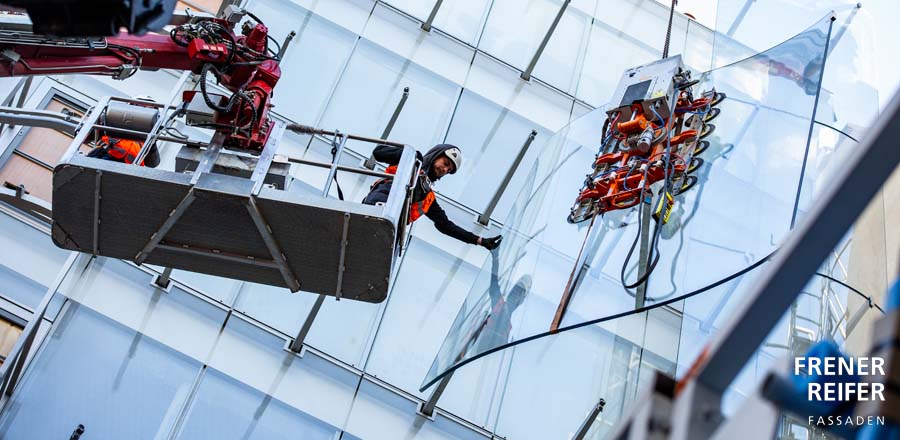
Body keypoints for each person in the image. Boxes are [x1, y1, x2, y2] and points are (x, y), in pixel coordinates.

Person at [363, 143, 501, 250]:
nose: (445, 170)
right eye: (446, 164)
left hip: (391, 230)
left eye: (449, 170)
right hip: (377, 208)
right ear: (436, 154)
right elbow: (378, 152)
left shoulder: (427, 196)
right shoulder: (412, 162)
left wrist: (479, 241)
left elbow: (445, 226)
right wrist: (409, 155)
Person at [87, 134, 160, 167]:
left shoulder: (148, 137)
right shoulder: (120, 116)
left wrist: (153, 142)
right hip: (107, 154)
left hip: (128, 167)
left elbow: (153, 163)